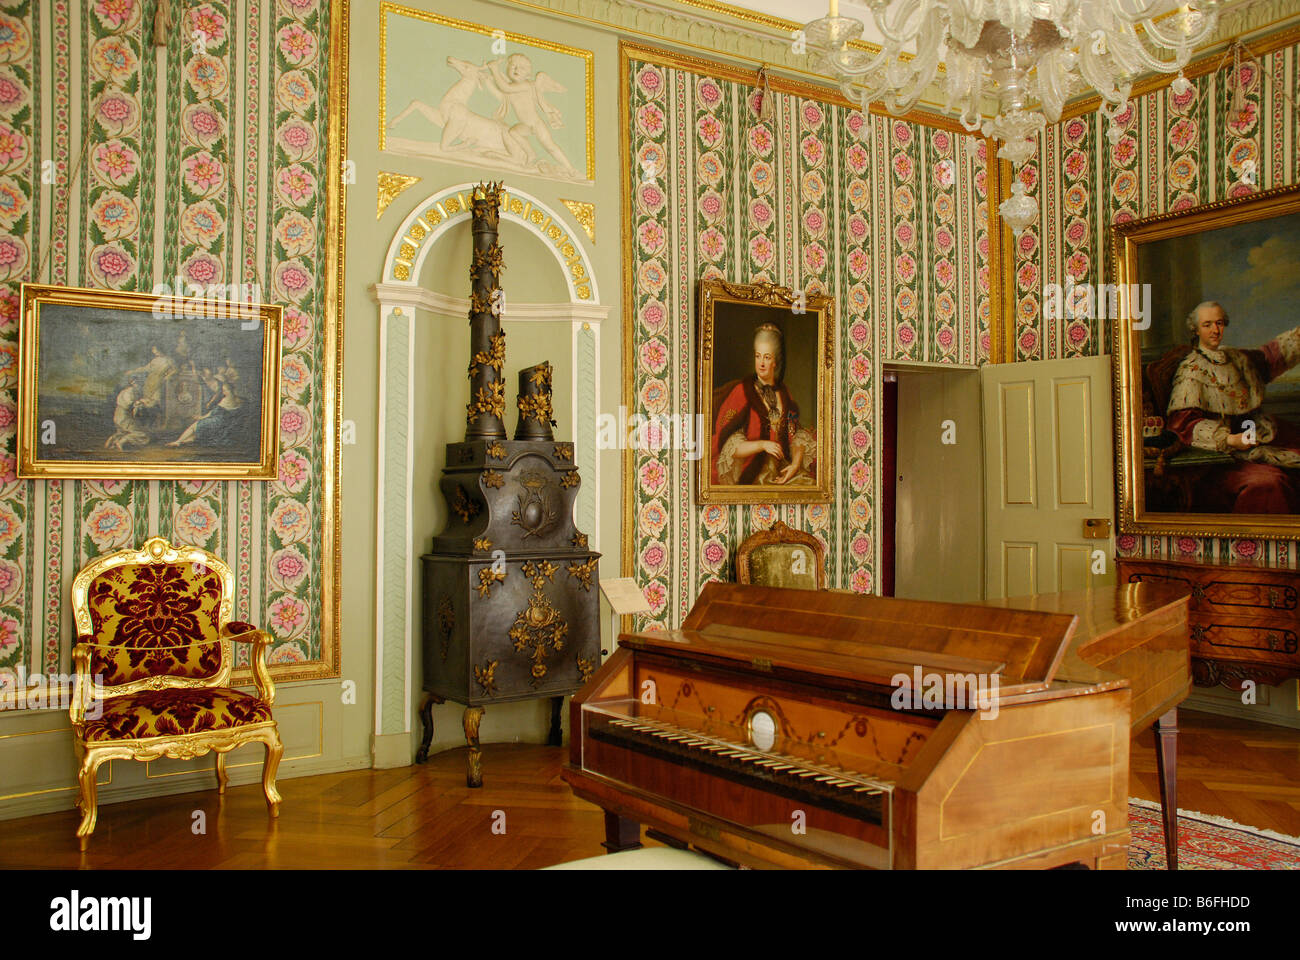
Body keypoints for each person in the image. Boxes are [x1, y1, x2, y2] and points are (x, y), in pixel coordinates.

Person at [1166, 301, 1300, 512]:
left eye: (1219, 323)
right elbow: (1184, 424)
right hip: (1219, 459)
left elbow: (1268, 358)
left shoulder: (1236, 357)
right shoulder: (1191, 369)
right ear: (1196, 330)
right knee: (1270, 483)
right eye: (1207, 324)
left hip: (1255, 439)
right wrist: (1229, 439)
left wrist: (1297, 337)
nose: (1215, 330)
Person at [711, 322, 816, 486]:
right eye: (758, 356)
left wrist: (795, 465)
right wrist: (762, 444)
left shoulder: (784, 394)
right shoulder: (742, 391)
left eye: (767, 357)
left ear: (775, 362)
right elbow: (727, 445)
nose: (761, 363)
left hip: (782, 470)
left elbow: (796, 435)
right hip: (751, 472)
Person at [105, 374, 150, 451]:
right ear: (134, 383)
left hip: (118, 415)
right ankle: (121, 442)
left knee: (124, 431)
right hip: (123, 416)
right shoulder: (130, 391)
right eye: (139, 383)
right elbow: (129, 403)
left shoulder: (126, 391)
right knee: (142, 435)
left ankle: (113, 439)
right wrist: (140, 402)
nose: (140, 386)